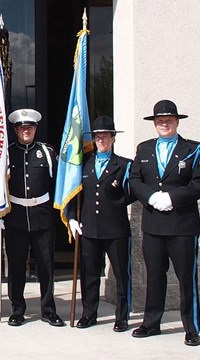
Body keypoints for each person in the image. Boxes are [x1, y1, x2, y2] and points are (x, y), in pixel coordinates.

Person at [128, 99, 200, 346]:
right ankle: (151, 323)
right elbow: (135, 180)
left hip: (182, 225)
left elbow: (198, 183)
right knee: (154, 276)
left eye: (169, 120)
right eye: (160, 120)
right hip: (154, 224)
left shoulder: (193, 149)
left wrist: (172, 197)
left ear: (177, 121)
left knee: (186, 278)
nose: (164, 123)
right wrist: (152, 197)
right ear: (154, 123)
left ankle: (192, 327)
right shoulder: (144, 148)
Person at [0, 109, 64, 327]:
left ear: (35, 129)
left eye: (30, 127)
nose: (26, 131)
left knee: (45, 266)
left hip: (42, 216)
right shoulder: (6, 153)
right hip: (15, 217)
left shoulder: (48, 153)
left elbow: (57, 185)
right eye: (22, 127)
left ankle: (48, 310)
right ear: (15, 130)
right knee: (15, 266)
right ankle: (17, 310)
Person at [67, 115, 133, 332]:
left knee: (122, 273)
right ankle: (89, 313)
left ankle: (122, 316)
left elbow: (133, 192)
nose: (101, 139)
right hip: (90, 227)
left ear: (113, 138)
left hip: (115, 228)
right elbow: (74, 193)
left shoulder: (124, 165)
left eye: (106, 136)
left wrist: (116, 203)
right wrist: (72, 217)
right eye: (97, 136)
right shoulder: (84, 163)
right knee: (89, 273)